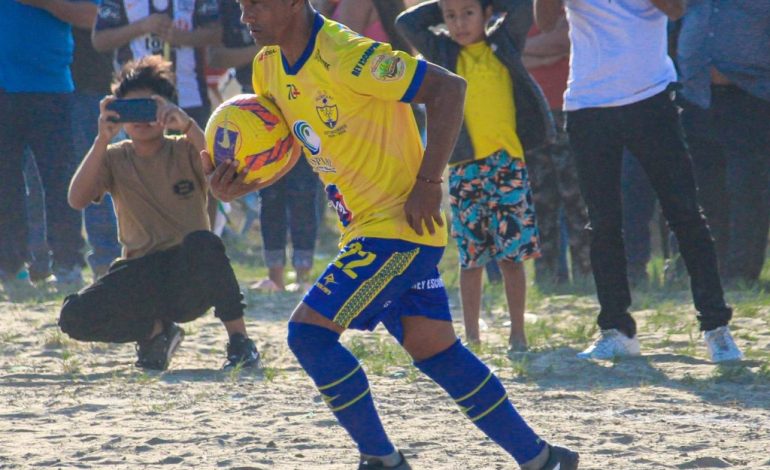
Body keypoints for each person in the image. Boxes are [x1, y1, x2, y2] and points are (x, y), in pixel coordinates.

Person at [205, 1, 578, 469]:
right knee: (437, 351)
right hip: (366, 231)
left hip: (398, 231)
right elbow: (298, 146)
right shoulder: (266, 67)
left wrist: (428, 183)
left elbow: (448, 89)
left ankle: (381, 459)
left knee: (307, 335)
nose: (246, 17)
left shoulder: (349, 53)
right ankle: (543, 459)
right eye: (242, 6)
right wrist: (243, 181)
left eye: (256, 5)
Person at [534, 0, 743, 362]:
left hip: (650, 97)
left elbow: (676, 10)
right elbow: (545, 19)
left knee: (685, 213)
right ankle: (616, 330)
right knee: (603, 223)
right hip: (588, 103)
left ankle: (715, 328)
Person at [58, 57, 260, 371]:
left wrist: (189, 125)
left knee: (204, 242)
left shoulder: (185, 148)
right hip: (140, 272)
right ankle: (155, 333)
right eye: (130, 108)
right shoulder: (113, 156)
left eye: (149, 107)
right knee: (72, 316)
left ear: (167, 109)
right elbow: (76, 199)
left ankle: (240, 341)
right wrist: (101, 138)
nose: (141, 117)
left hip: (188, 272)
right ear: (117, 112)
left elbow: (221, 170)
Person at [396, 0, 552, 350]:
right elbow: (407, 23)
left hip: (508, 167)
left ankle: (517, 335)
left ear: (487, 14)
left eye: (468, 13)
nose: (459, 23)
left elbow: (522, 9)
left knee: (512, 259)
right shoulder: (442, 51)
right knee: (471, 260)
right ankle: (472, 336)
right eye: (451, 16)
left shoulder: (505, 43)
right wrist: (447, 4)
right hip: (464, 168)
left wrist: (481, 3)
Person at [212, 0, 322, 293]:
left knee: (303, 191)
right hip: (254, 107)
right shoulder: (226, 8)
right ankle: (274, 274)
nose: (247, 13)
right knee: (268, 193)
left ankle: (302, 276)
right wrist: (267, 45)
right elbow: (217, 55)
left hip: (302, 101)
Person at [676, 0, 770, 285]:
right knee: (705, 189)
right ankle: (712, 268)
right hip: (697, 97)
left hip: (750, 96)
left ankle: (742, 273)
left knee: (747, 188)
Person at [0, 0, 92, 286]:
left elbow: (91, 16)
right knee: (5, 183)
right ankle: (10, 268)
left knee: (60, 181)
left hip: (50, 87)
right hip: (3, 89)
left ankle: (67, 265)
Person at [521, 14, 591, 287]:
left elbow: (566, 39)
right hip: (532, 111)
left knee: (577, 197)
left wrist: (521, 52)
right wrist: (541, 52)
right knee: (540, 198)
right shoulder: (511, 7)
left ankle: (588, 274)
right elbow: (503, 50)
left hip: (570, 107)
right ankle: (547, 278)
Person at [92, 0, 222, 126]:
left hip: (190, 96)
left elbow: (216, 33)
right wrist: (142, 26)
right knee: (143, 147)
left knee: (193, 146)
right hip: (138, 99)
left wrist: (182, 37)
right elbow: (99, 40)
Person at [72, 17, 123, 279]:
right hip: (50, 85)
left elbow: (95, 15)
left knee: (108, 178)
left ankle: (110, 259)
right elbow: (77, 198)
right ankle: (104, 262)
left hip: (93, 83)